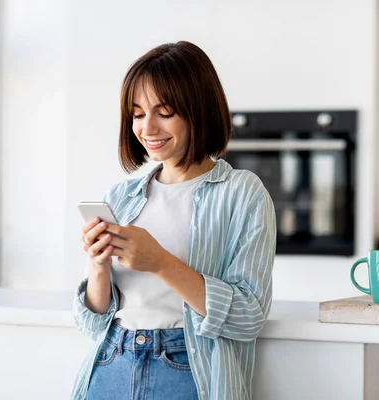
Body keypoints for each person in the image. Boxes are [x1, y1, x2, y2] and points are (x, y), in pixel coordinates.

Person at [71, 41, 276, 400]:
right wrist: (98, 265)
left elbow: (248, 316)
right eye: (137, 114)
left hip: (186, 373)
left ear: (198, 110)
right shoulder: (122, 195)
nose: (147, 128)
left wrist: (160, 262)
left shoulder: (242, 193)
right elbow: (93, 321)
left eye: (163, 112)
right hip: (110, 368)